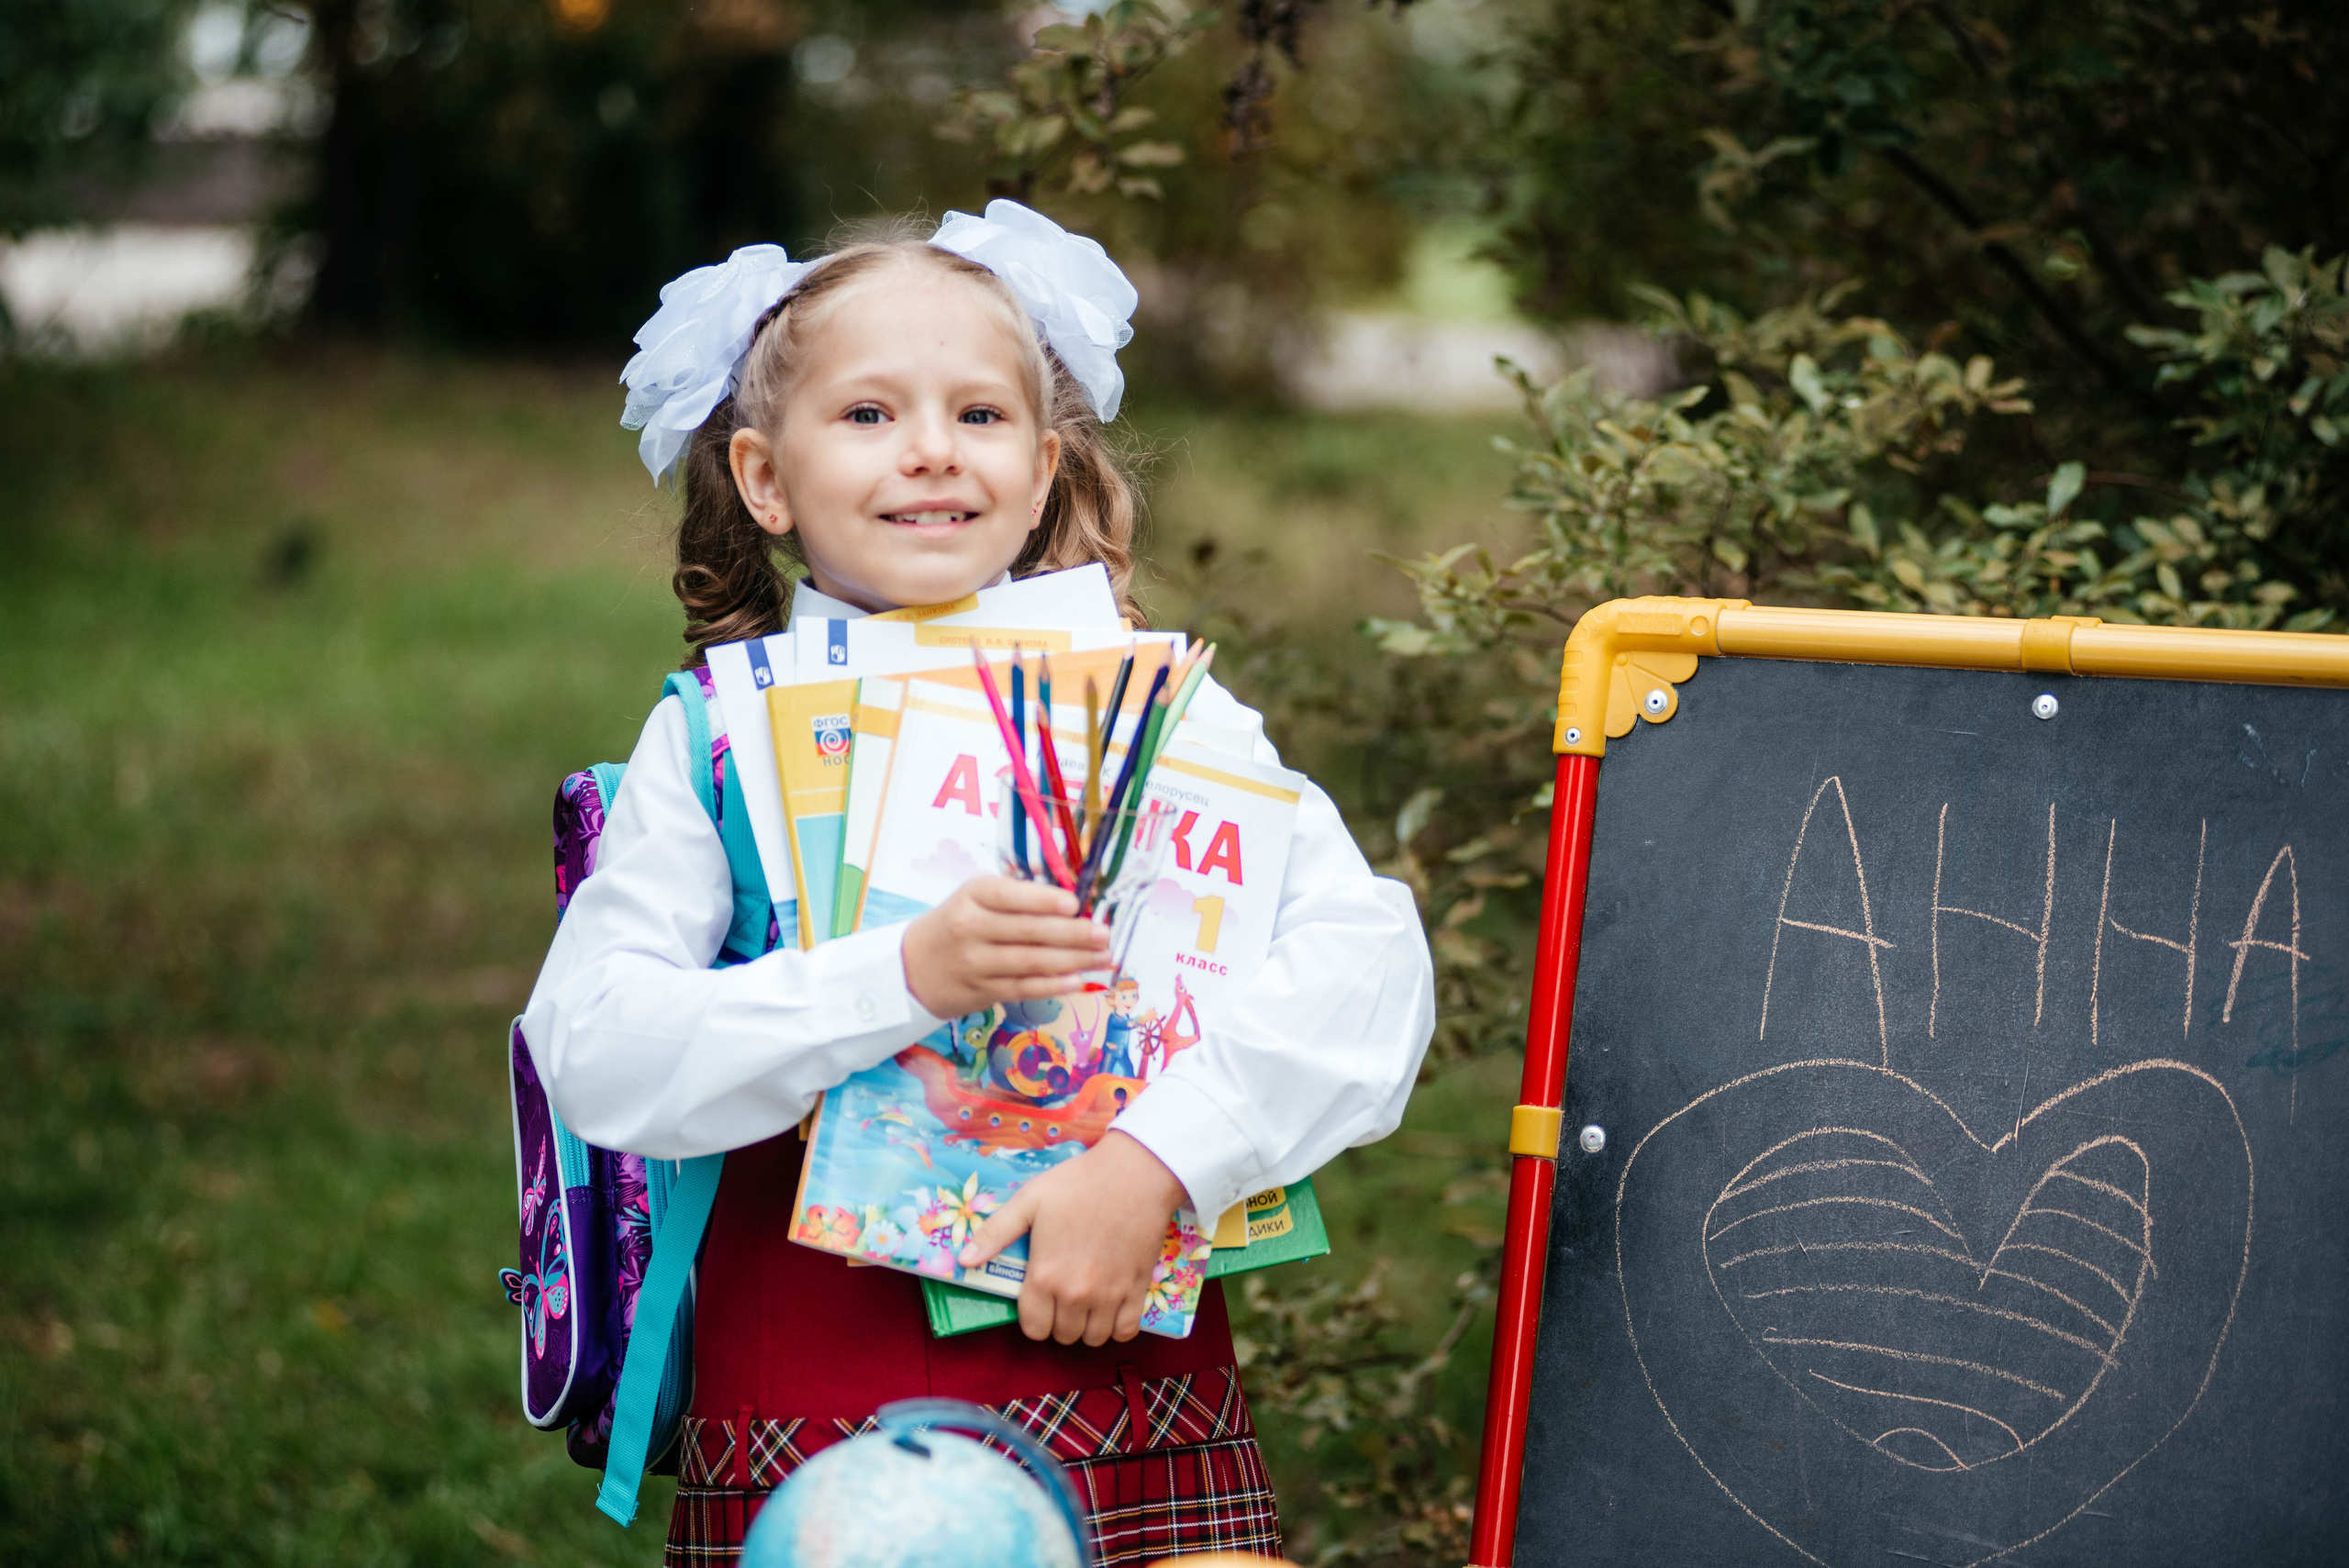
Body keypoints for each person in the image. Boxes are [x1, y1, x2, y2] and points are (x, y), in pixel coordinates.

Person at [520, 202, 1435, 1567]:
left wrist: (1157, 1163)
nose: (933, 450)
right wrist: (902, 977)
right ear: (766, 479)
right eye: (871, 414)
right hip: (820, 1430)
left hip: (1126, 1389)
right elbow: (593, 1050)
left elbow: (1372, 967)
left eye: (981, 415)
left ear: (1045, 460)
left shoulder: (1159, 715)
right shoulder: (716, 740)